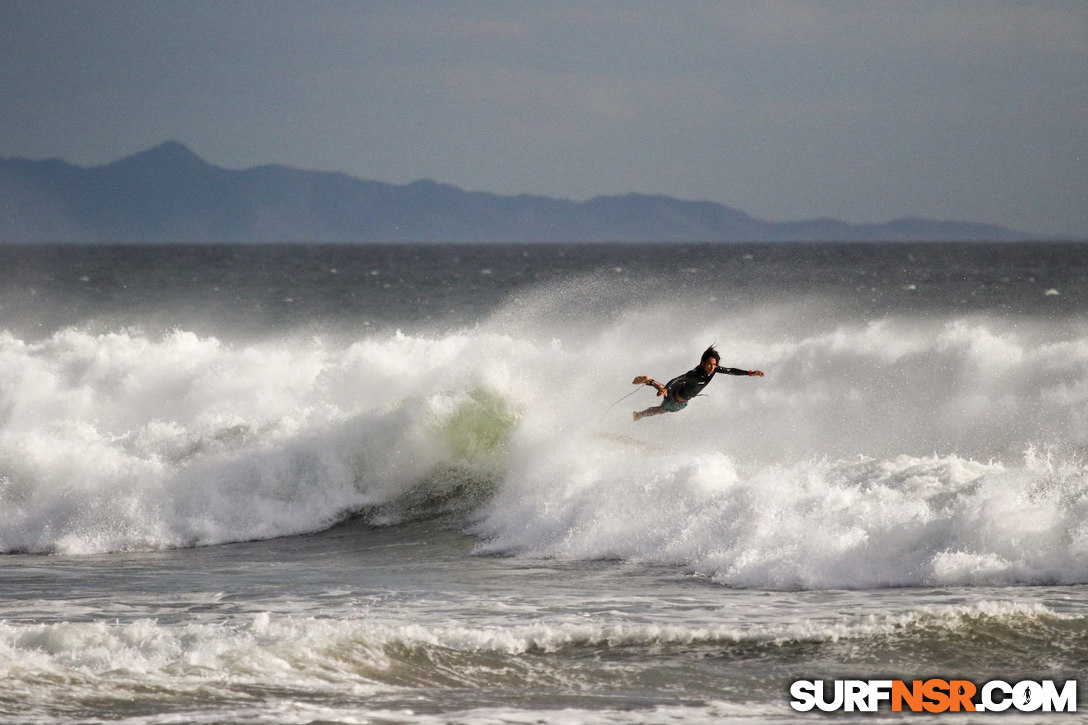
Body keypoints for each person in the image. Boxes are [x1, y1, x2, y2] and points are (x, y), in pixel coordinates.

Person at [632, 345, 763, 421]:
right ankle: (639, 415)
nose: (712, 367)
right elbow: (678, 378)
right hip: (676, 399)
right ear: (702, 363)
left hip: (679, 393)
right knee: (661, 410)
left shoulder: (714, 369)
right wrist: (666, 388)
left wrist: (750, 373)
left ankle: (651, 381)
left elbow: (731, 371)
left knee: (665, 393)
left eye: (714, 365)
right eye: (709, 364)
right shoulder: (694, 373)